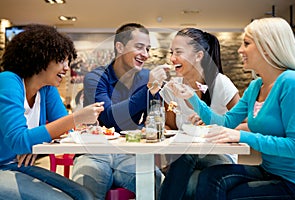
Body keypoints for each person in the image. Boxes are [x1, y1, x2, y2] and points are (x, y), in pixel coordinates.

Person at [169, 17, 295, 199]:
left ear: (268, 48)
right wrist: (191, 97)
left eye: (246, 43)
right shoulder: (255, 87)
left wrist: (242, 136)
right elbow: (225, 122)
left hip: (293, 182)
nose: (240, 50)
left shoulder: (292, 83)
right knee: (210, 177)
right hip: (268, 169)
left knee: (230, 194)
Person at [0, 24, 104, 200]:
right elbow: (18, 141)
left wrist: (31, 142)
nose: (66, 68)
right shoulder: (8, 81)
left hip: (18, 165)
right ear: (40, 58)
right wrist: (76, 118)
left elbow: (67, 131)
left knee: (85, 195)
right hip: (2, 166)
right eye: (61, 61)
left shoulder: (46, 90)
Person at [72, 23, 166, 199]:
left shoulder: (147, 77)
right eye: (139, 47)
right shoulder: (96, 77)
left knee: (160, 185)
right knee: (83, 191)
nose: (145, 55)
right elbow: (108, 118)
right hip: (95, 152)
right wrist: (148, 90)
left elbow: (154, 116)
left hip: (130, 153)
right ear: (120, 47)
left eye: (147, 49)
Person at [158, 28, 240, 200]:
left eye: (179, 52)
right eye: (171, 52)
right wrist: (158, 129)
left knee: (186, 181)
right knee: (187, 171)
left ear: (199, 55)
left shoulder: (221, 84)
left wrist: (215, 127)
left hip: (219, 155)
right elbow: (169, 127)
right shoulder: (171, 89)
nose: (172, 58)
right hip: (184, 159)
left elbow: (244, 125)